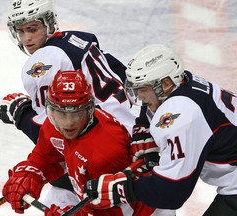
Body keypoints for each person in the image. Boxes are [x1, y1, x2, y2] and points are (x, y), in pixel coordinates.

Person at [0, 0, 136, 208]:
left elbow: (55, 131)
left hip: (103, 154)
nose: (26, 38)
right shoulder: (77, 40)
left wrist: (20, 114)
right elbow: (127, 81)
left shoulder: (45, 60)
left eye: (32, 29)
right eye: (20, 31)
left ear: (49, 23)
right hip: (131, 139)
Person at [83, 44, 237, 215]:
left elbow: (173, 192)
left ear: (165, 84)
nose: (139, 96)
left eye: (142, 89)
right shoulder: (182, 84)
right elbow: (149, 107)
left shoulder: (182, 115)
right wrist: (144, 130)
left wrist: (121, 189)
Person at [2, 69, 155, 215]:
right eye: (62, 113)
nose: (68, 123)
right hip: (91, 197)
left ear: (89, 110)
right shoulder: (53, 125)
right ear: (52, 110)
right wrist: (31, 173)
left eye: (76, 113)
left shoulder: (105, 152)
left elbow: (119, 211)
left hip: (139, 211)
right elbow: (46, 157)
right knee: (56, 197)